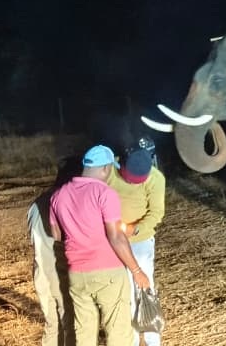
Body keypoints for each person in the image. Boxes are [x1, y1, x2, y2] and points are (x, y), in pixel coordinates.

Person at [50, 145, 151, 346]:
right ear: (105, 168)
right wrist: (137, 270)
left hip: (77, 273)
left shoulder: (58, 195)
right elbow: (116, 237)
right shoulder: (105, 193)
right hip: (108, 272)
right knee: (118, 332)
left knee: (84, 333)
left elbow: (56, 235)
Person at [106, 137, 166, 346]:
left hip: (140, 241)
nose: (133, 183)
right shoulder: (109, 171)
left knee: (144, 287)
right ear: (121, 164)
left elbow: (157, 213)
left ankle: (152, 339)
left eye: (138, 180)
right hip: (112, 240)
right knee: (123, 292)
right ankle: (129, 339)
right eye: (130, 179)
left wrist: (136, 228)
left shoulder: (156, 178)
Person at [29, 191, 68, 346]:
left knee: (52, 325)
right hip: (59, 272)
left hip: (40, 271)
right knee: (69, 325)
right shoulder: (64, 200)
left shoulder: (35, 204)